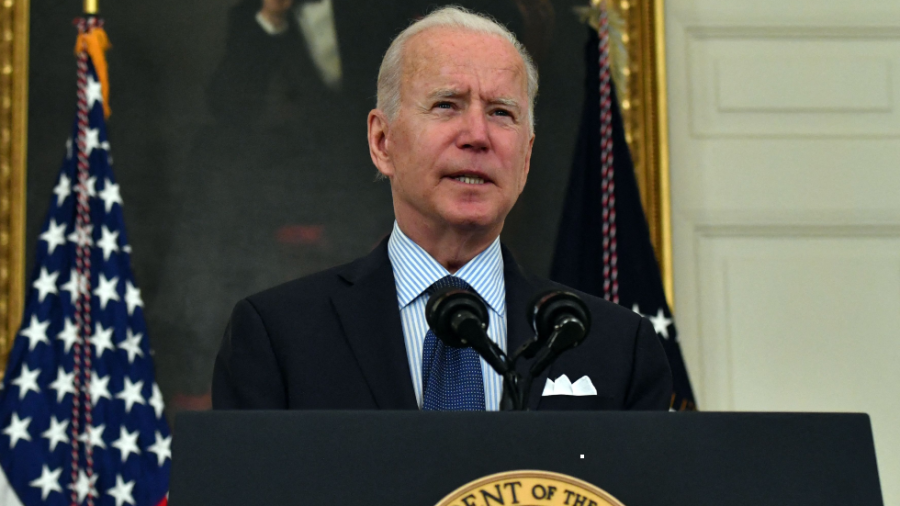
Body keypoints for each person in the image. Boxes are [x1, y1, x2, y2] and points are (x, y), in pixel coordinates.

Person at [212, 6, 672, 411]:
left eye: (501, 113)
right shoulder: (277, 338)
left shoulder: (616, 347)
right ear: (382, 141)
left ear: (526, 156)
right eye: (447, 105)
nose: (477, 135)